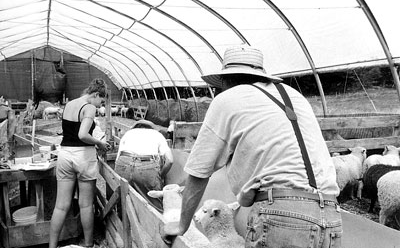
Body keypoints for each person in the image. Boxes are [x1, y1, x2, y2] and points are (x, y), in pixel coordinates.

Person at [163, 46, 342, 248]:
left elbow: (198, 171)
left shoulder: (227, 99)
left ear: (225, 80)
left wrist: (182, 225)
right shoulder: (295, 97)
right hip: (330, 215)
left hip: (281, 216)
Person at [49, 78, 110, 248]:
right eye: (101, 101)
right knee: (85, 205)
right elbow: (83, 135)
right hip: (83, 156)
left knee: (61, 206)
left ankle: (52, 246)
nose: (99, 106)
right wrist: (99, 143)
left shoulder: (69, 104)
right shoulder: (89, 107)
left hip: (65, 155)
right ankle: (89, 244)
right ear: (96, 94)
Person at [114, 119, 173, 213]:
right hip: (146, 166)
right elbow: (170, 160)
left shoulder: (128, 134)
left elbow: (117, 159)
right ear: (152, 128)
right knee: (154, 204)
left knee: (123, 201)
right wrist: (159, 176)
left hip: (124, 163)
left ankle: (123, 223)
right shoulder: (157, 134)